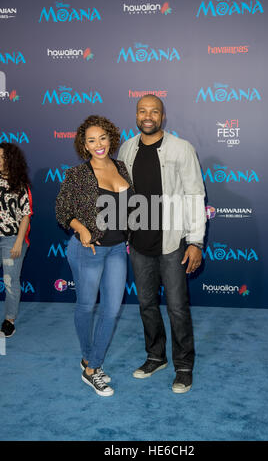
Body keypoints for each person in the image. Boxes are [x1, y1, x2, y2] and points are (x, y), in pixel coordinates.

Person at [118, 95, 206, 393]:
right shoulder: (127, 148)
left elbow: (195, 195)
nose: (148, 116)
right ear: (136, 114)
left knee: (178, 308)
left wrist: (195, 241)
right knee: (146, 305)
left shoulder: (181, 149)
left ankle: (183, 365)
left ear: (163, 116)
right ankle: (156, 357)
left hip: (172, 243)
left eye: (154, 111)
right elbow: (122, 196)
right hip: (139, 243)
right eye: (142, 110)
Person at [56, 115, 134, 397]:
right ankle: (90, 362)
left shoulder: (122, 167)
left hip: (116, 249)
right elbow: (63, 211)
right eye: (91, 140)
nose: (98, 144)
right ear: (84, 145)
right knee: (87, 306)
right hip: (87, 250)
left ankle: (92, 365)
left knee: (112, 309)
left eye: (102, 138)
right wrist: (80, 228)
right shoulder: (77, 174)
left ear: (110, 138)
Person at [0, 143, 32, 338]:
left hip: (11, 239)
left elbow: (25, 216)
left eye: (3, 156)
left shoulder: (20, 185)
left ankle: (9, 320)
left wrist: (19, 242)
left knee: (10, 281)